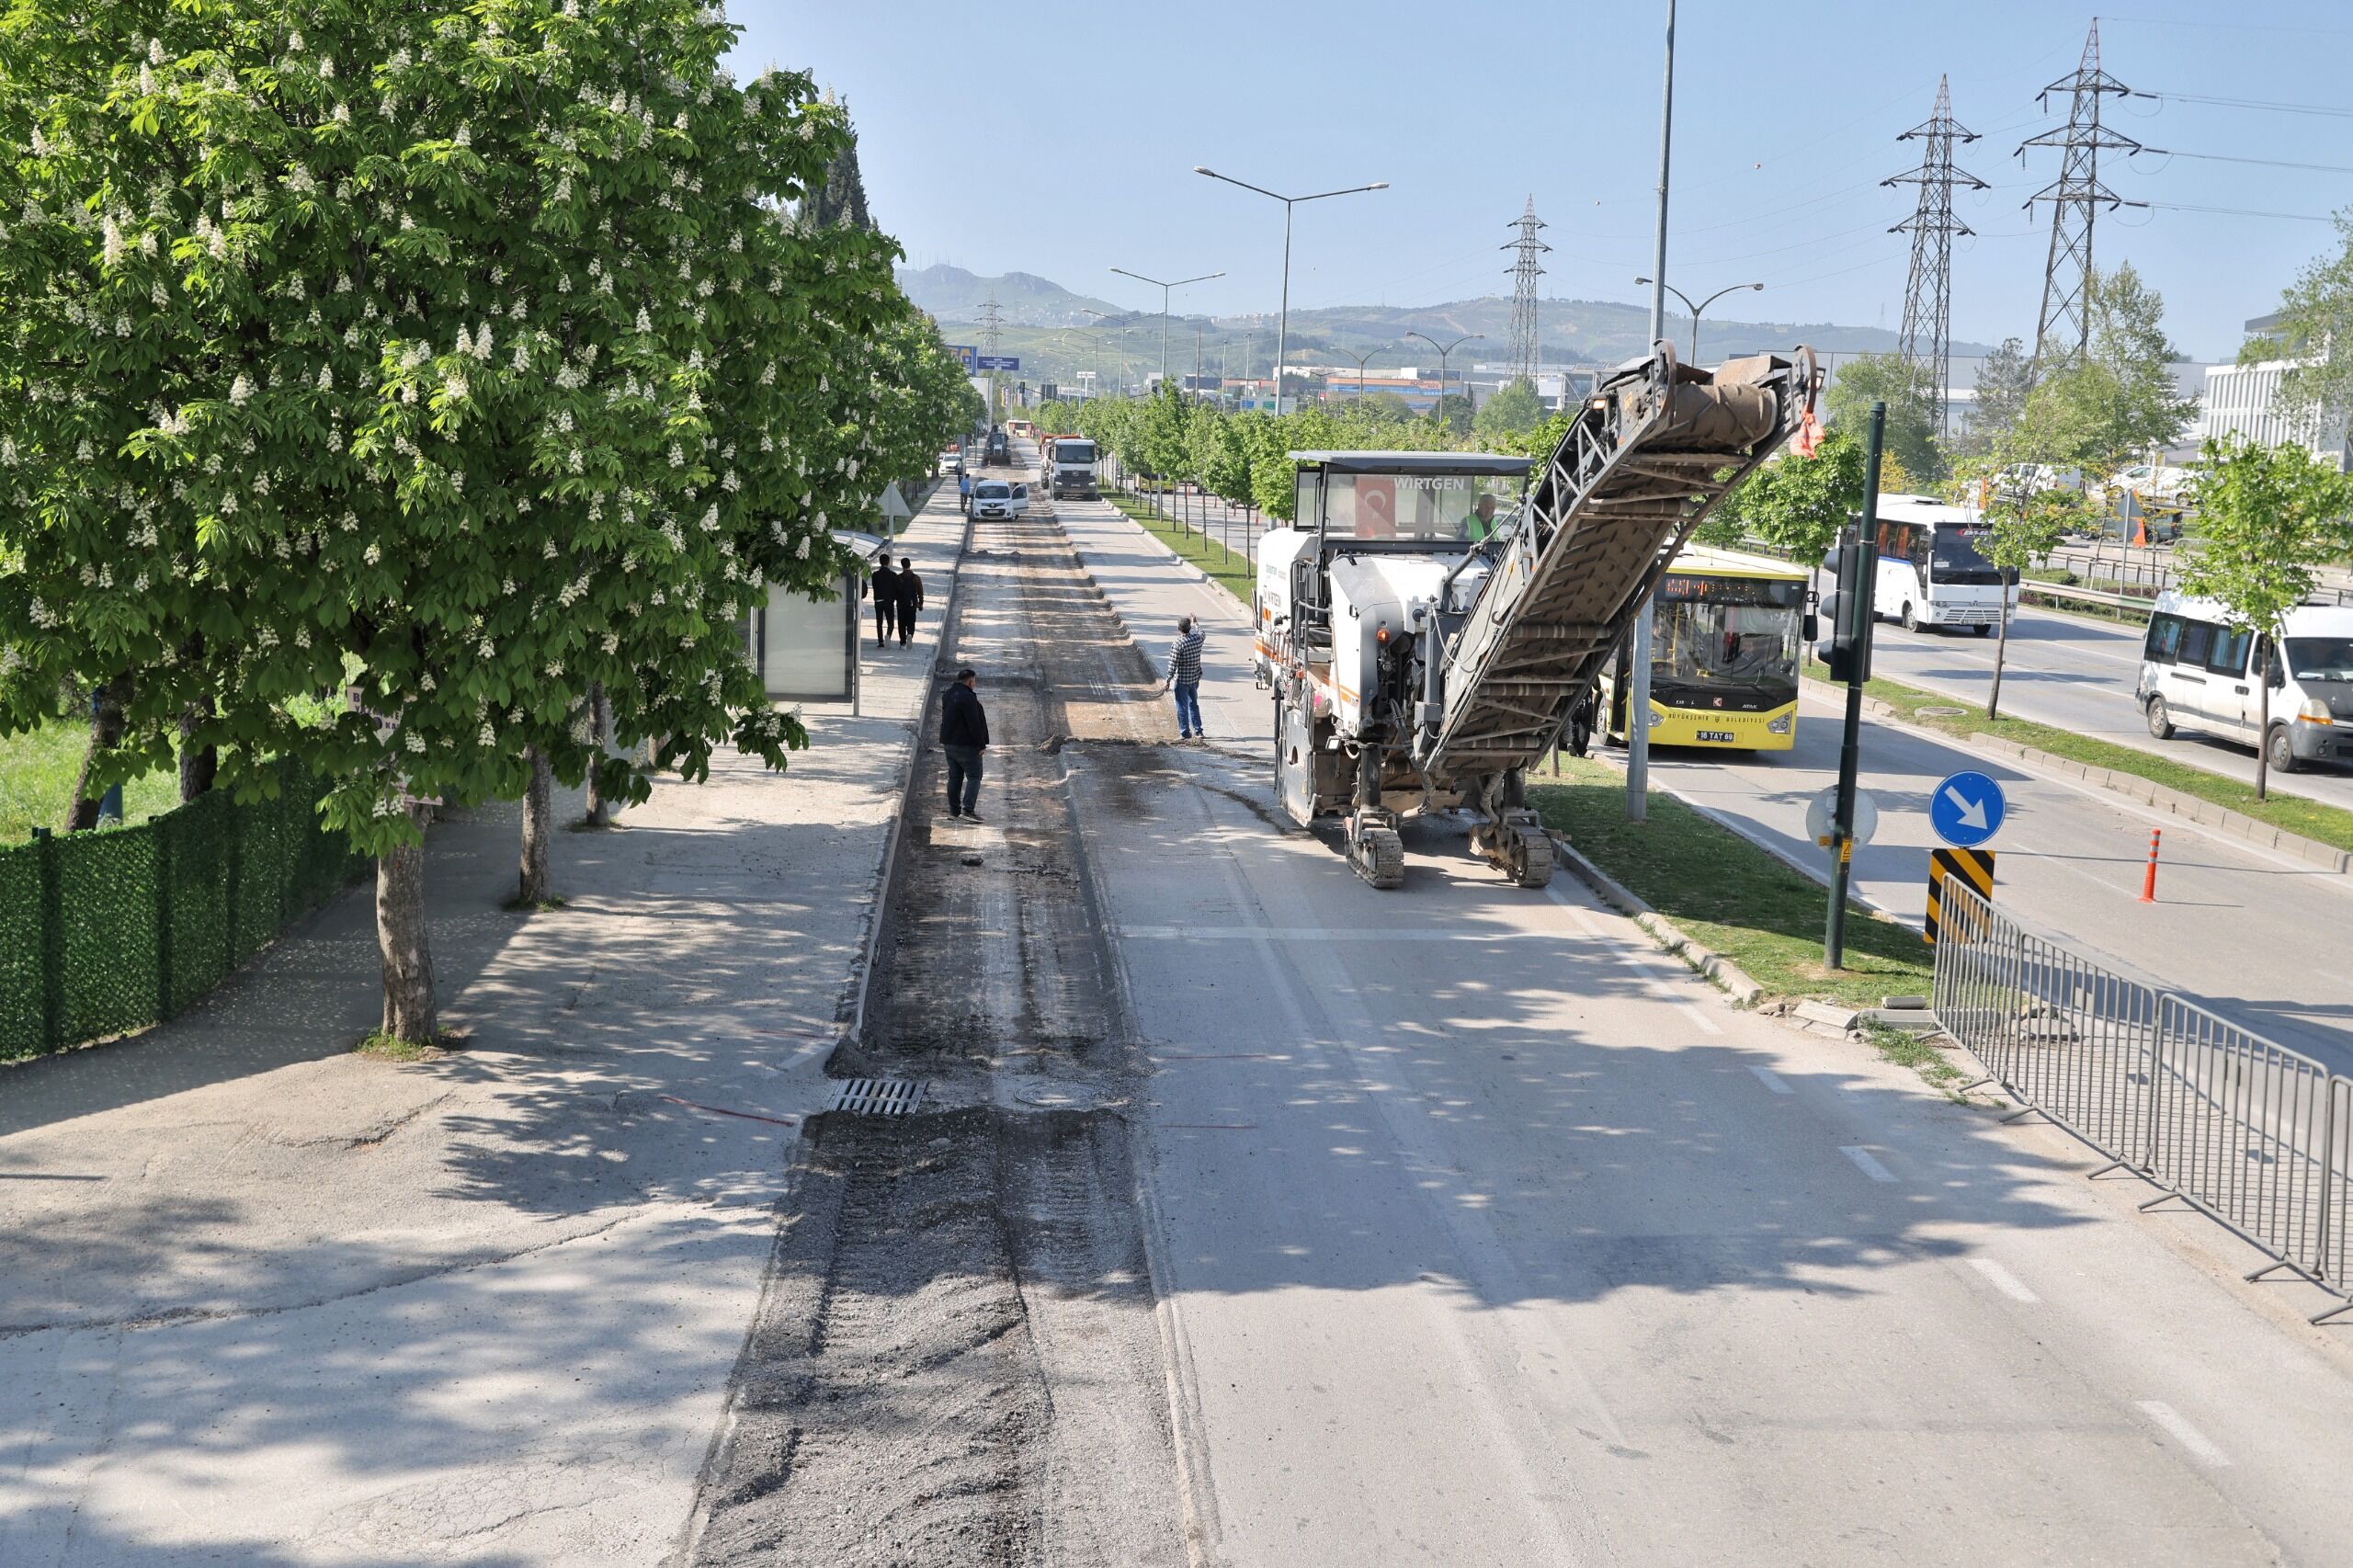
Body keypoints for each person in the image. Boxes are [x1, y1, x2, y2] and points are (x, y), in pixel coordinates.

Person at [939, 666, 989, 822]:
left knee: (954, 777)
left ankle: (954, 811)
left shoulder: (948, 694)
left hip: (949, 744)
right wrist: (981, 744)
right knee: (974, 776)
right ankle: (968, 810)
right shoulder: (968, 698)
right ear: (970, 682)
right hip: (966, 745)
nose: (975, 684)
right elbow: (974, 724)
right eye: (974, 681)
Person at [1163, 615, 1205, 741]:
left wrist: (1168, 680)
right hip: (1195, 679)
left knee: (1182, 706)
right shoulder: (1197, 639)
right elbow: (1202, 633)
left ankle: (1185, 732)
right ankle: (1198, 731)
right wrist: (1196, 623)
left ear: (1178, 628)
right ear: (1189, 628)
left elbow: (1172, 664)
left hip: (1182, 680)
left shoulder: (1178, 644)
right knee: (1193, 704)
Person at [870, 556, 900, 649]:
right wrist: (894, 598)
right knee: (890, 622)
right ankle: (888, 637)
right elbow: (896, 588)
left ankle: (880, 641)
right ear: (888, 562)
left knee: (879, 622)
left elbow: (874, 586)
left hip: (878, 600)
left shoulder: (875, 575)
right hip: (889, 601)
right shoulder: (893, 575)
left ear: (880, 562)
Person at [896, 557, 925, 646]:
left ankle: (903, 642)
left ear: (902, 566)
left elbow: (895, 591)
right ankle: (910, 634)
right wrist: (920, 604)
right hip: (912, 604)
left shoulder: (898, 578)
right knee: (911, 622)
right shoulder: (916, 578)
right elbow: (920, 592)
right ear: (910, 565)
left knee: (901, 624)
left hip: (901, 605)